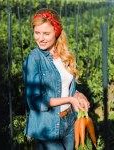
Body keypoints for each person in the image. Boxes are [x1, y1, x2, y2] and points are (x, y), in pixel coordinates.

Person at [23, 8, 90, 150]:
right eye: (37, 33)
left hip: (69, 122)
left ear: (57, 32)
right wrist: (70, 100)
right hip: (47, 127)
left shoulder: (64, 55)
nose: (40, 38)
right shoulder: (34, 59)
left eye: (46, 33)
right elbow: (35, 101)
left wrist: (77, 95)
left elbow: (64, 86)